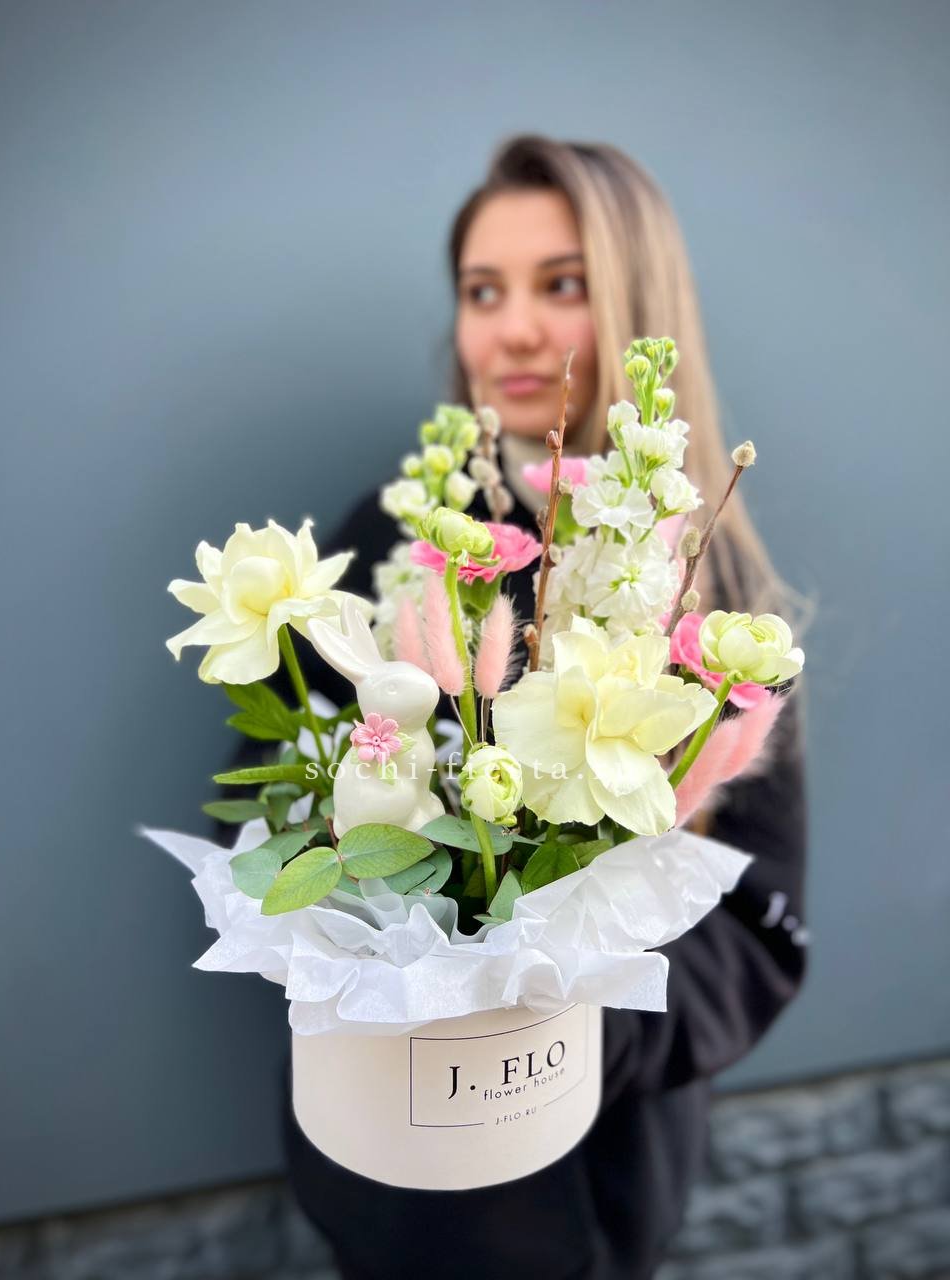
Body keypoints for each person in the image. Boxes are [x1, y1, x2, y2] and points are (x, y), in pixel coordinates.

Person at [222, 134, 808, 1280]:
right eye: (483, 291)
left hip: (584, 1200)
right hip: (377, 1191)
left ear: (639, 302)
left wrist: (554, 1011)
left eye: (563, 283)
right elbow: (253, 829)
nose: (516, 329)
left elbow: (761, 934)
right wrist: (352, 911)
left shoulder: (710, 609)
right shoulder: (391, 539)